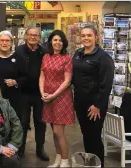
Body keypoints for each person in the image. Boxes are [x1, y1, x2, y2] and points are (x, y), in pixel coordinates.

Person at [72, 24, 114, 167]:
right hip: (80, 103)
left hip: (94, 105)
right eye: (83, 35)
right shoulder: (78, 53)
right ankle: (90, 163)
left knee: (94, 137)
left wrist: (97, 106)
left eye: (89, 35)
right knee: (86, 136)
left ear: (96, 37)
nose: (86, 38)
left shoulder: (103, 58)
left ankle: (99, 165)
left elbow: (106, 85)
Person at [39, 30, 74, 167]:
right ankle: (58, 159)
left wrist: (53, 95)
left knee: (58, 131)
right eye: (55, 40)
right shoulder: (46, 57)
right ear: (51, 42)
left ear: (63, 42)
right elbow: (42, 76)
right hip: (47, 97)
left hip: (61, 97)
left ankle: (65, 161)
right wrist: (42, 92)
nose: (57, 42)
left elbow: (67, 81)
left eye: (60, 40)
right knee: (53, 132)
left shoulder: (67, 58)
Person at [15, 27, 49, 160]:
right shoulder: (18, 51)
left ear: (39, 38)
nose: (33, 37)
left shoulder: (45, 52)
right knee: (22, 122)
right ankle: (20, 150)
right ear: (26, 36)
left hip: (40, 94)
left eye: (36, 35)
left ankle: (40, 150)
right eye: (30, 35)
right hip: (23, 93)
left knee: (40, 122)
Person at [0, 31, 28, 120]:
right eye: (2, 40)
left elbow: (26, 77)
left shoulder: (18, 57)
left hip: (13, 99)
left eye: (7, 41)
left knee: (12, 125)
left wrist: (16, 82)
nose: (4, 43)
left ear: (11, 43)